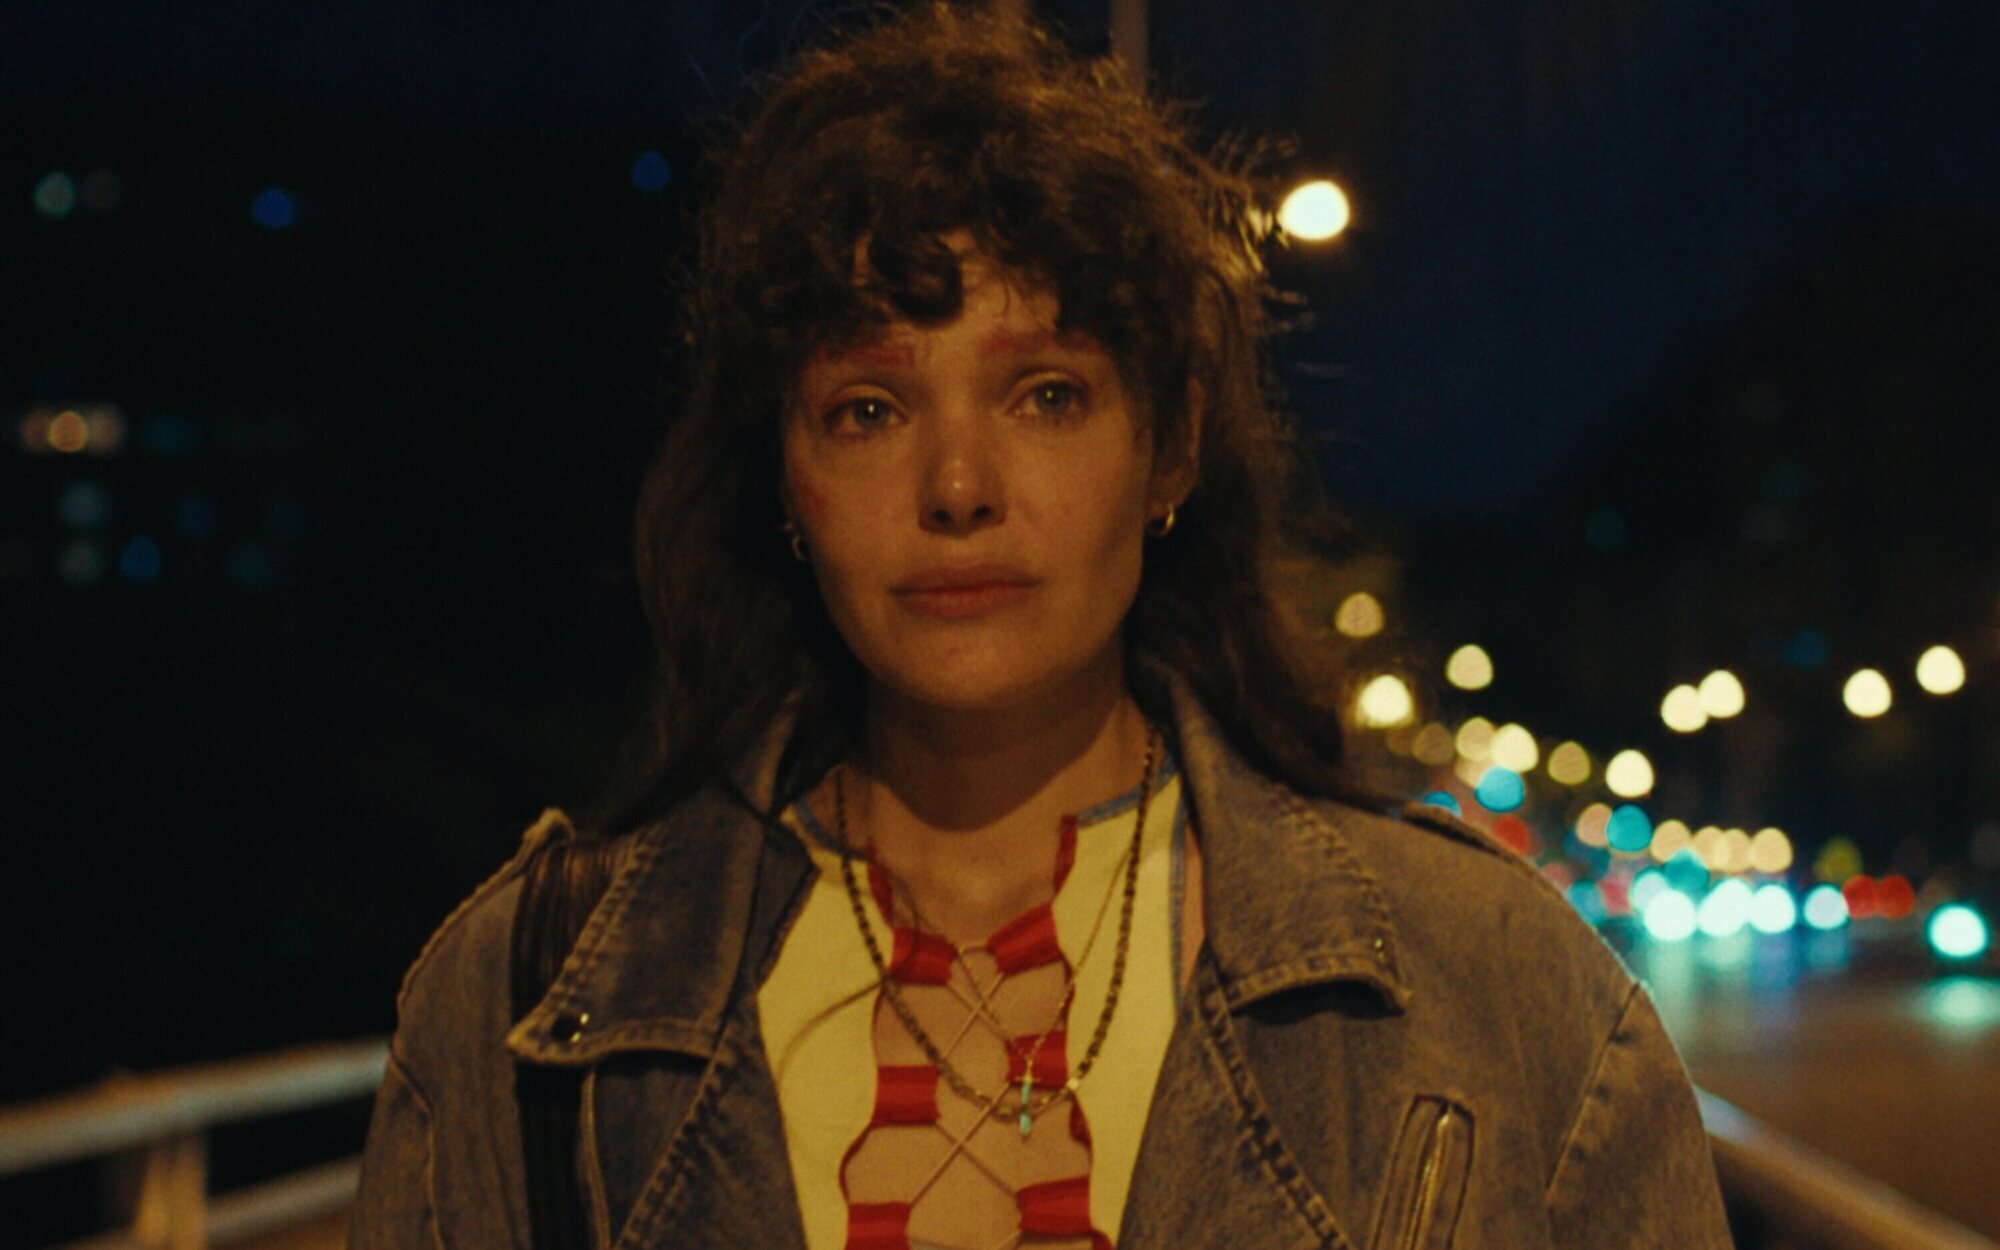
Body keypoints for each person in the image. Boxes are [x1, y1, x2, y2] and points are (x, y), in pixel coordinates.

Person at [350, 4, 1734, 1247]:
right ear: (785, 479)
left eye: (1046, 395)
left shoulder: (1499, 994)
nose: (957, 487)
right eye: (868, 409)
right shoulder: (523, 1013)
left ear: (1170, 448)